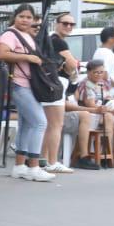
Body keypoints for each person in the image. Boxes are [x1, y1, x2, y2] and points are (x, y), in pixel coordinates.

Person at [0, 4, 55, 181]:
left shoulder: (27, 35)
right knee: (40, 122)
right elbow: (1, 54)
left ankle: (19, 166)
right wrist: (27, 57)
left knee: (27, 124)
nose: (25, 20)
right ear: (15, 17)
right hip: (18, 83)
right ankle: (33, 167)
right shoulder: (10, 34)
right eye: (22, 16)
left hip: (28, 84)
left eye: (29, 17)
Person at [71, 61, 114, 169]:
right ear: (88, 72)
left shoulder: (102, 83)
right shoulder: (87, 84)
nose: (99, 75)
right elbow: (92, 105)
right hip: (93, 114)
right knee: (108, 117)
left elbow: (108, 98)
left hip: (104, 111)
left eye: (101, 72)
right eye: (96, 72)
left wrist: (112, 103)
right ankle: (106, 156)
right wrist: (113, 111)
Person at [40, 11, 80, 174]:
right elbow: (72, 64)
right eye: (65, 23)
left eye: (72, 24)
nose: (69, 26)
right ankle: (52, 161)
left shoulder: (51, 41)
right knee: (56, 124)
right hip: (57, 83)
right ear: (57, 24)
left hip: (48, 83)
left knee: (48, 124)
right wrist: (72, 72)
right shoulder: (58, 42)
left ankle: (42, 158)